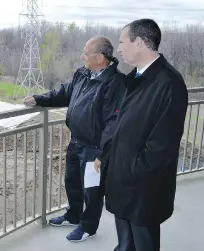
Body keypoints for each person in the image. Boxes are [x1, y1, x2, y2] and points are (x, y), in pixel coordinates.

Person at [24, 36, 126, 242]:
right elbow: (65, 93)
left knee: (92, 190)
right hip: (76, 142)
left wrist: (101, 153)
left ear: (99, 57)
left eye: (85, 53)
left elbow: (114, 122)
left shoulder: (115, 83)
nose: (82, 56)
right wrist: (39, 99)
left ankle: (88, 227)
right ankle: (73, 215)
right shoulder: (83, 74)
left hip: (94, 148)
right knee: (72, 182)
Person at [100, 19, 188, 251]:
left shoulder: (169, 84)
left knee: (143, 244)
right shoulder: (136, 78)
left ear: (139, 42)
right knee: (125, 243)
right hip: (123, 181)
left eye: (122, 42)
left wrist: (133, 171)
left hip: (143, 188)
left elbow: (162, 146)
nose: (118, 49)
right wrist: (109, 157)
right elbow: (121, 125)